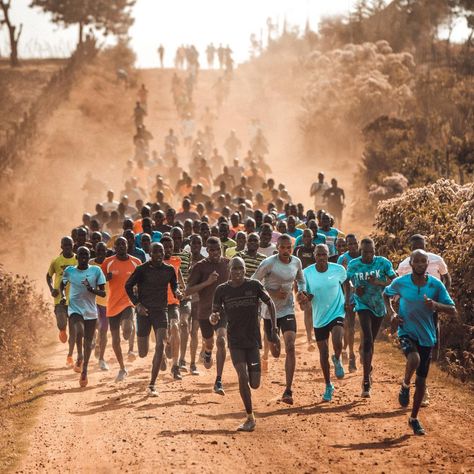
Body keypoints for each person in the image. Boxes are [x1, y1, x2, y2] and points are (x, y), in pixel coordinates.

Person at [383, 249, 456, 435]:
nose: (421, 265)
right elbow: (386, 294)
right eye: (417, 261)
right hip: (406, 330)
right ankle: (405, 385)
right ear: (411, 264)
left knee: (422, 381)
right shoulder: (401, 282)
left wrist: (436, 305)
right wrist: (392, 313)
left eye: (424, 261)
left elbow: (452, 310)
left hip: (427, 336)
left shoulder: (436, 285)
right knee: (413, 359)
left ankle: (414, 418)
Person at [211, 257, 277, 432]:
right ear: (229, 270)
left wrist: (274, 329)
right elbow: (214, 313)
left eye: (240, 268)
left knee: (254, 383)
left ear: (245, 269)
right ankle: (250, 417)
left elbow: (270, 303)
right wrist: (214, 317)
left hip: (253, 340)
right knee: (242, 375)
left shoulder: (254, 285)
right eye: (234, 269)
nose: (237, 272)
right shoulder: (221, 290)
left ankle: (253, 371)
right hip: (235, 341)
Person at [396, 233, 451, 406]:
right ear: (410, 251)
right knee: (415, 351)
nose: (418, 252)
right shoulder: (404, 265)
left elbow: (446, 277)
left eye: (421, 245)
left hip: (432, 308)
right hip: (411, 312)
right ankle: (417, 382)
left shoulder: (436, 260)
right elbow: (398, 286)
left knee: (431, 345)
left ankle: (422, 383)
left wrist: (442, 298)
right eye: (414, 247)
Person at [252, 234, 306, 404]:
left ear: (292, 247)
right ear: (277, 248)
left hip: (288, 309)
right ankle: (273, 342)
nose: (285, 250)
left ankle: (288, 390)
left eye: (288, 247)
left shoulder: (296, 262)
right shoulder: (268, 263)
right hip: (269, 312)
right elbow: (254, 282)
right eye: (282, 247)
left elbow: (301, 279)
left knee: (291, 347)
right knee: (276, 352)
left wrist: (302, 293)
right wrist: (272, 293)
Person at [125, 242, 181, 396]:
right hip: (144, 312)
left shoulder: (169, 269)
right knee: (143, 352)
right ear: (149, 253)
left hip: (160, 311)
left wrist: (177, 292)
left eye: (160, 252)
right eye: (155, 252)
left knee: (160, 345)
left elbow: (174, 285)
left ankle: (152, 384)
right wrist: (137, 305)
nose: (158, 255)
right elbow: (128, 286)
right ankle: (157, 356)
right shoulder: (142, 269)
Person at [345, 238, 396, 397]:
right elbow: (348, 282)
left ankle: (365, 356)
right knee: (367, 338)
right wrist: (354, 292)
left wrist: (378, 282)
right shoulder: (354, 264)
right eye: (365, 252)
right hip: (363, 304)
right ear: (360, 251)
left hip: (379, 306)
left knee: (370, 341)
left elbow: (394, 281)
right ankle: (366, 381)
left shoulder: (383, 263)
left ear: (375, 251)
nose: (368, 255)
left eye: (371, 252)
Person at [186, 237, 230, 395]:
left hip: (223, 311)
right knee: (210, 342)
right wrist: (207, 282)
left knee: (221, 339)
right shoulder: (200, 267)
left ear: (221, 248)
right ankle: (207, 351)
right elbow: (187, 291)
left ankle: (218, 380)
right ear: (207, 250)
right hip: (204, 311)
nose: (215, 253)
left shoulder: (227, 264)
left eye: (218, 249)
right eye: (211, 250)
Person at [303, 244, 347, 401]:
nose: (321, 257)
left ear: (329, 255)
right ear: (314, 255)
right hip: (319, 316)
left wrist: (348, 299)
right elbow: (304, 293)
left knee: (337, 339)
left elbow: (347, 283)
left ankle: (337, 357)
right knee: (323, 353)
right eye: (318, 255)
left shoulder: (338, 270)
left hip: (337, 311)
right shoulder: (307, 273)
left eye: (324, 255)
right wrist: (305, 299)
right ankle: (328, 385)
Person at [60, 246, 106, 387]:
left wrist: (90, 289)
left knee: (88, 342)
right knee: (79, 331)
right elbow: (62, 284)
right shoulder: (70, 271)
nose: (84, 257)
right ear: (77, 257)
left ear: (89, 256)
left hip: (91, 311)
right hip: (74, 309)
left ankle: (84, 370)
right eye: (81, 254)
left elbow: (103, 293)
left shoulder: (96, 271)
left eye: (86, 254)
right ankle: (79, 356)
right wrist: (62, 296)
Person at [101, 237, 141, 382]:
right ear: (115, 247)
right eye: (118, 245)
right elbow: (99, 279)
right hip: (112, 304)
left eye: (123, 243)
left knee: (127, 329)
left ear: (127, 245)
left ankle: (130, 343)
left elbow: (142, 280)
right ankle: (122, 368)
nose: (121, 246)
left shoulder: (136, 262)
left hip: (128, 302)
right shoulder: (108, 262)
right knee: (116, 340)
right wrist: (106, 277)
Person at [47, 236, 77, 367]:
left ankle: (70, 356)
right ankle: (62, 330)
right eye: (65, 245)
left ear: (73, 246)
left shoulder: (78, 259)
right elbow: (48, 276)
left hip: (75, 299)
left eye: (69, 245)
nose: (67, 248)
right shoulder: (56, 261)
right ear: (61, 247)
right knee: (61, 322)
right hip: (59, 298)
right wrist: (51, 289)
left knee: (74, 330)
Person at [161, 235, 185, 379]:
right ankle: (163, 351)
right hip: (158, 304)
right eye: (165, 247)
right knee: (162, 334)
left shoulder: (176, 261)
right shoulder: (154, 264)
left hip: (173, 303)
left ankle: (175, 366)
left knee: (175, 327)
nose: (168, 250)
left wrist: (183, 290)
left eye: (170, 247)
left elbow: (179, 278)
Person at [337, 234, 360, 372]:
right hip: (349, 298)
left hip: (365, 298)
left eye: (354, 243)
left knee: (363, 329)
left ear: (357, 243)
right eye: (349, 244)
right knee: (349, 327)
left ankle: (361, 351)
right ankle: (351, 355)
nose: (352, 246)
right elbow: (340, 280)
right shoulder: (343, 259)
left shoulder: (365, 255)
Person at [293, 229, 317, 351]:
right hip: (302, 283)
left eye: (309, 236)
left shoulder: (317, 249)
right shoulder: (298, 250)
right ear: (302, 238)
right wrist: (296, 288)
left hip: (316, 283)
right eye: (305, 236)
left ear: (313, 237)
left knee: (314, 309)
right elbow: (293, 266)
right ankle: (309, 337)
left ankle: (314, 333)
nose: (307, 238)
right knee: (307, 309)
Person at [89, 242, 110, 370]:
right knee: (96, 324)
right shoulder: (90, 263)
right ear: (95, 251)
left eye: (104, 251)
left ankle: (101, 359)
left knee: (104, 332)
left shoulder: (110, 263)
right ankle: (93, 338)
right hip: (93, 300)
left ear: (107, 251)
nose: (101, 253)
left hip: (107, 302)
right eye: (99, 251)